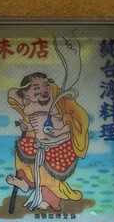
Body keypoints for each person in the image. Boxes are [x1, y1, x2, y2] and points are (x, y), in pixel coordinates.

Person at [5, 72, 89, 211]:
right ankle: (27, 184)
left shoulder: (55, 104)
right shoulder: (30, 104)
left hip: (58, 145)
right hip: (40, 144)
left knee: (49, 177)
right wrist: (27, 127)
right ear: (26, 94)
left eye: (46, 86)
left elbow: (68, 124)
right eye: (36, 88)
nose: (43, 90)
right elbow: (12, 93)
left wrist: (59, 132)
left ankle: (49, 200)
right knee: (28, 165)